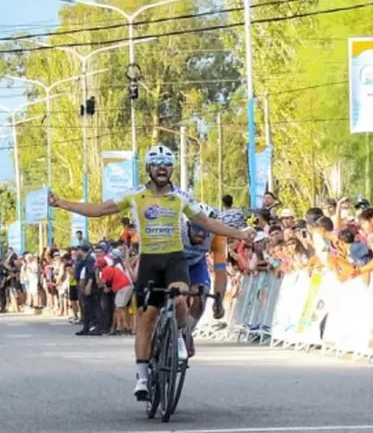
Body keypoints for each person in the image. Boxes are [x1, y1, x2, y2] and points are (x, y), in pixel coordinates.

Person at [48, 144, 255, 401]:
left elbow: (207, 222)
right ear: (148, 168)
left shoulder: (181, 196)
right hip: (149, 261)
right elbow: (100, 210)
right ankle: (142, 377)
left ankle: (180, 337)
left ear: (171, 169)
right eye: (156, 164)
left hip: (174, 259)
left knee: (180, 295)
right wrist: (63, 204)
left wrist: (240, 234)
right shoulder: (135, 195)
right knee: (147, 317)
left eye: (167, 164)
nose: (162, 168)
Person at [180, 202, 229, 356]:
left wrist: (218, 301)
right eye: (196, 228)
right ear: (187, 225)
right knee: (177, 296)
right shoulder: (176, 229)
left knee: (201, 295)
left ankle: (186, 332)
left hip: (196, 265)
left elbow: (220, 271)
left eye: (205, 230)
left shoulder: (217, 235)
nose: (201, 234)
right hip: (173, 263)